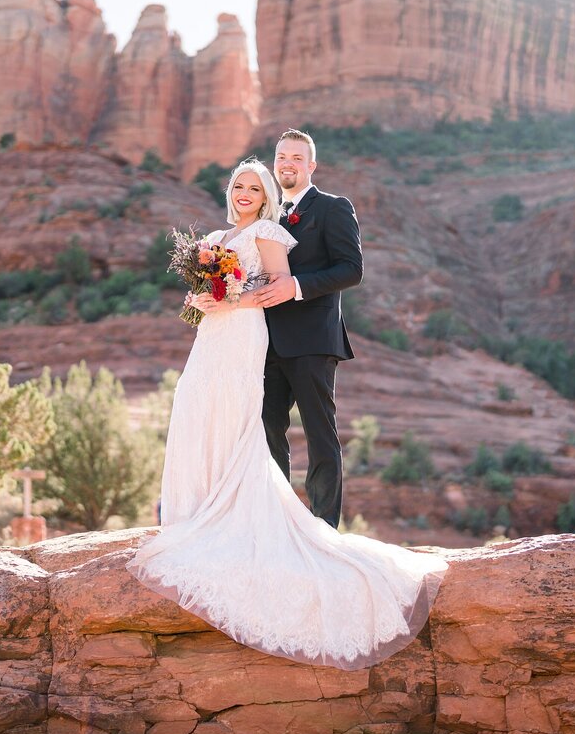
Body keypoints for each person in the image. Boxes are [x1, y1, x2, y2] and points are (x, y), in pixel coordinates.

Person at [125, 157, 448, 670]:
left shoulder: (277, 229)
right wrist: (200, 298)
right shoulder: (214, 236)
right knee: (198, 412)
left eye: (255, 186)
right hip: (213, 340)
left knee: (265, 424)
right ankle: (198, 514)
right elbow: (209, 298)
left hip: (252, 334)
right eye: (239, 184)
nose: (245, 192)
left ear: (269, 191)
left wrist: (228, 300)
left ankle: (303, 525)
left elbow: (277, 286)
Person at [252, 129, 360, 529]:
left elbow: (352, 270)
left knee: (320, 434)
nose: (288, 164)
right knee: (267, 433)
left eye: (297, 158)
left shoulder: (333, 208)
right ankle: (277, 523)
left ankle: (323, 527)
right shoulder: (264, 216)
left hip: (314, 340)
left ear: (311, 165)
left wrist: (294, 287)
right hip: (265, 342)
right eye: (281, 157)